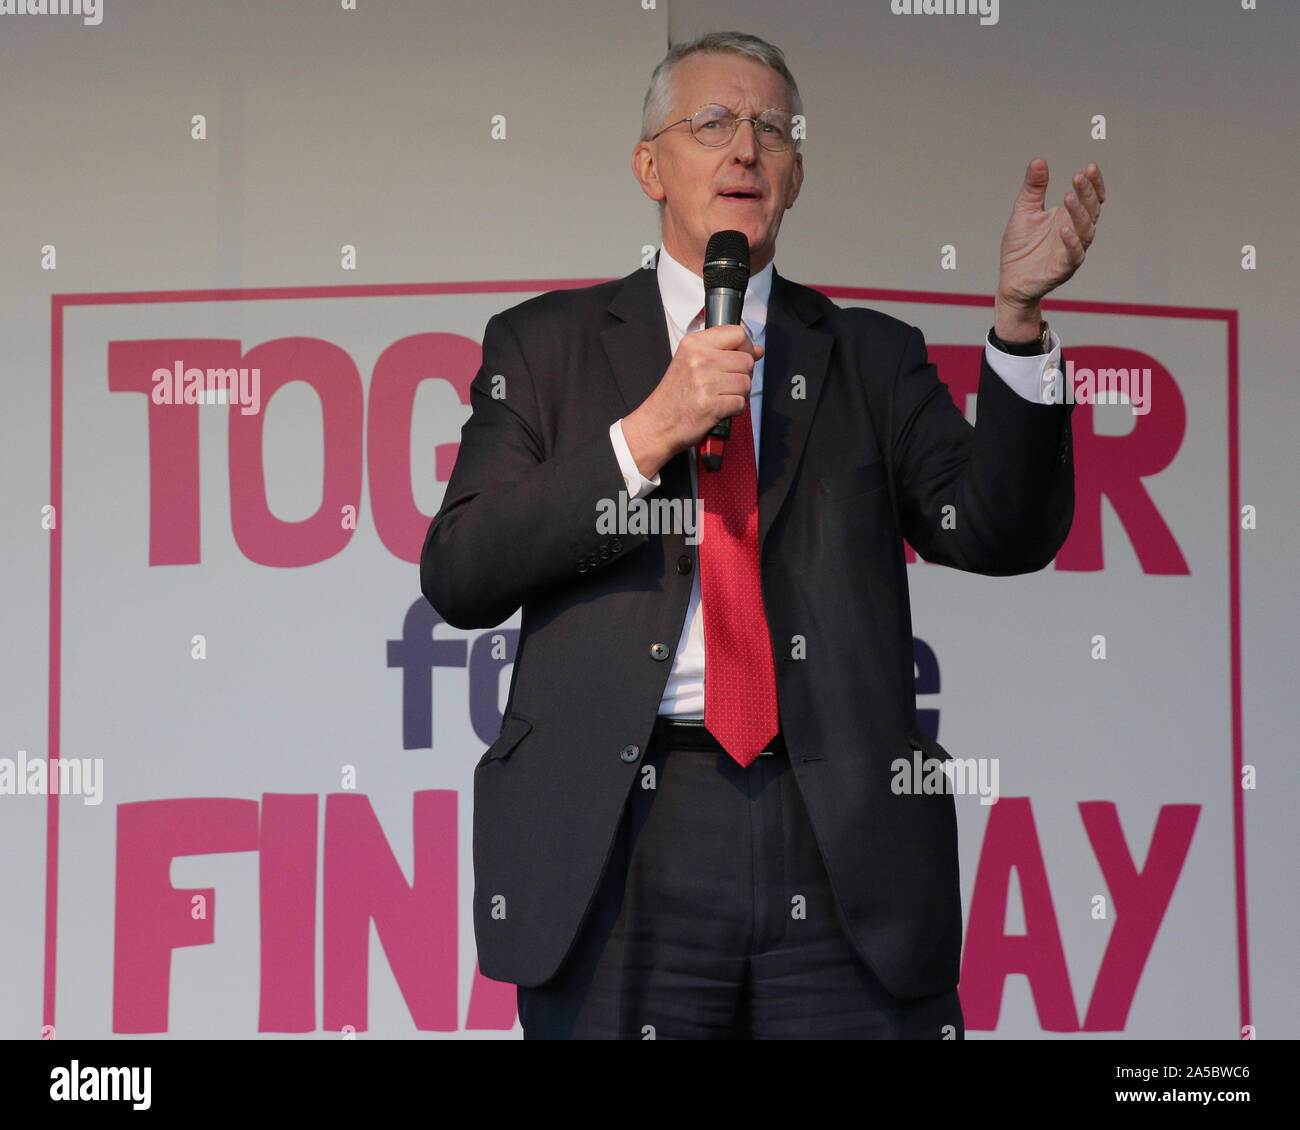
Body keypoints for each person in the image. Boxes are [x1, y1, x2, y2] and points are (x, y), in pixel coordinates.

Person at [421, 30, 1104, 1039]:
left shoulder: (871, 357)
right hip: (620, 837)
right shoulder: (544, 345)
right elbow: (462, 571)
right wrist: (646, 430)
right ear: (650, 165)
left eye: (770, 129)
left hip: (838, 837)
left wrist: (1013, 323)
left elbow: (1000, 526)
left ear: (794, 175)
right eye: (712, 124)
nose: (744, 148)